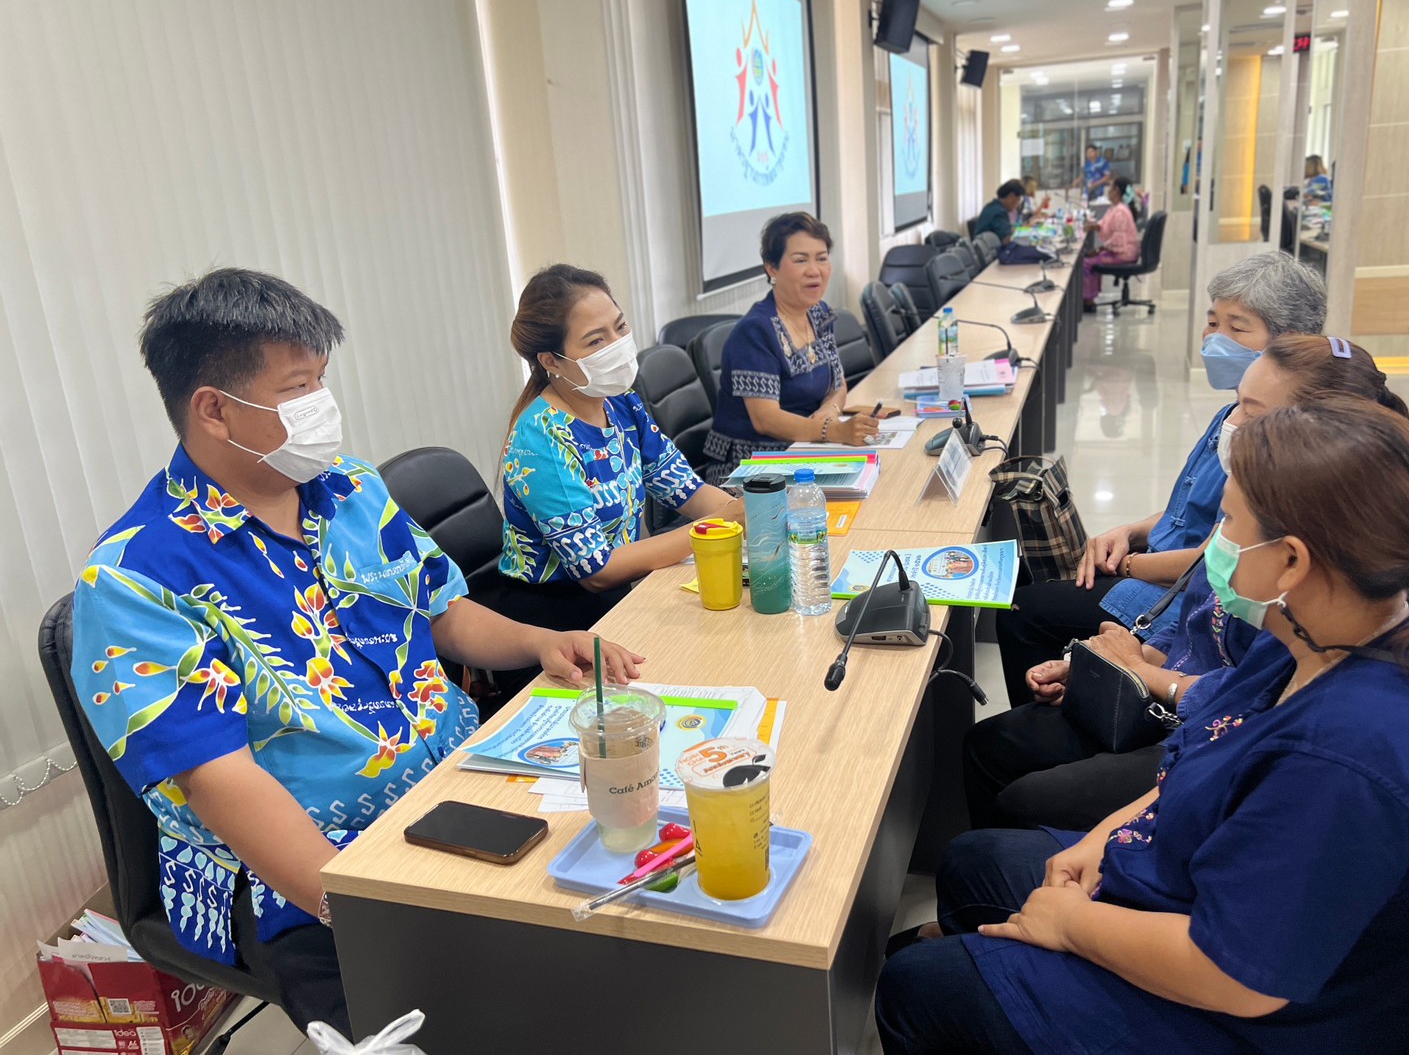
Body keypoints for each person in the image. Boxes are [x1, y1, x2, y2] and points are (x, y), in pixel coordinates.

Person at [70, 269, 641, 1035]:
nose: (322, 406)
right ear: (213, 409)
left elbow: (442, 612)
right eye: (299, 386)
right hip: (306, 869)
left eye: (323, 381)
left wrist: (541, 641)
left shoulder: (349, 492)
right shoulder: (137, 580)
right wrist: (371, 908)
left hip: (455, 782)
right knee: (480, 1019)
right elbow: (220, 782)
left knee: (626, 927)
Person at [877, 398, 1409, 1054]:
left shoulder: (1349, 761)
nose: (1212, 543)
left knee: (919, 986)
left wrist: (1073, 926)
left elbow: (1236, 976)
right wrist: (1104, 837)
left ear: (1291, 563)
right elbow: (1201, 747)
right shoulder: (1306, 637)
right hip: (1203, 889)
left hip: (1246, 1016)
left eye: (1227, 521)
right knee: (973, 860)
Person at [965, 335, 1409, 832]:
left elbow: (1252, 702)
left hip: (1201, 732)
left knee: (1023, 801)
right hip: (1171, 701)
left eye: (1249, 409)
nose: (1232, 422)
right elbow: (1193, 622)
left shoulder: (1314, 588)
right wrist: (1106, 667)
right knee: (992, 745)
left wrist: (1140, 667)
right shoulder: (1259, 500)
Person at [995, 251, 1327, 705]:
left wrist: (1129, 564)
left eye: (1237, 327)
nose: (1215, 339)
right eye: (1213, 322)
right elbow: (1189, 506)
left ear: (1289, 342)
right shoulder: (1231, 411)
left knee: (1025, 612)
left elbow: (1213, 561)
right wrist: (1132, 531)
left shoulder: (1272, 440)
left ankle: (1051, 715)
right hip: (1162, 568)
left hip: (1175, 594)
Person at [497, 264, 744, 634]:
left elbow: (686, 490)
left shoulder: (621, 403)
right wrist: (722, 523)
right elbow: (596, 570)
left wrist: (745, 513)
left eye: (620, 327)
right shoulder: (542, 438)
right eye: (596, 340)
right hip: (561, 620)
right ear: (551, 361)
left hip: (625, 593)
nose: (617, 344)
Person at [704, 212, 879, 481]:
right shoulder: (755, 331)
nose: (815, 270)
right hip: (752, 467)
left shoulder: (819, 313)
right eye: (800, 260)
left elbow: (838, 383)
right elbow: (766, 420)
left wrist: (829, 412)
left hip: (807, 449)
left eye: (822, 258)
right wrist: (833, 432)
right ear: (771, 268)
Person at [1081, 177, 1140, 310]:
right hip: (1121, 250)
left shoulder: (1120, 212)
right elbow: (1105, 223)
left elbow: (1118, 241)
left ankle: (1088, 300)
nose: (1108, 190)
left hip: (1124, 254)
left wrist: (1098, 249)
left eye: (1111, 187)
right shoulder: (1115, 209)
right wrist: (1094, 226)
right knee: (1091, 259)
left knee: (1087, 263)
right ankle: (1090, 296)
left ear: (1116, 191)